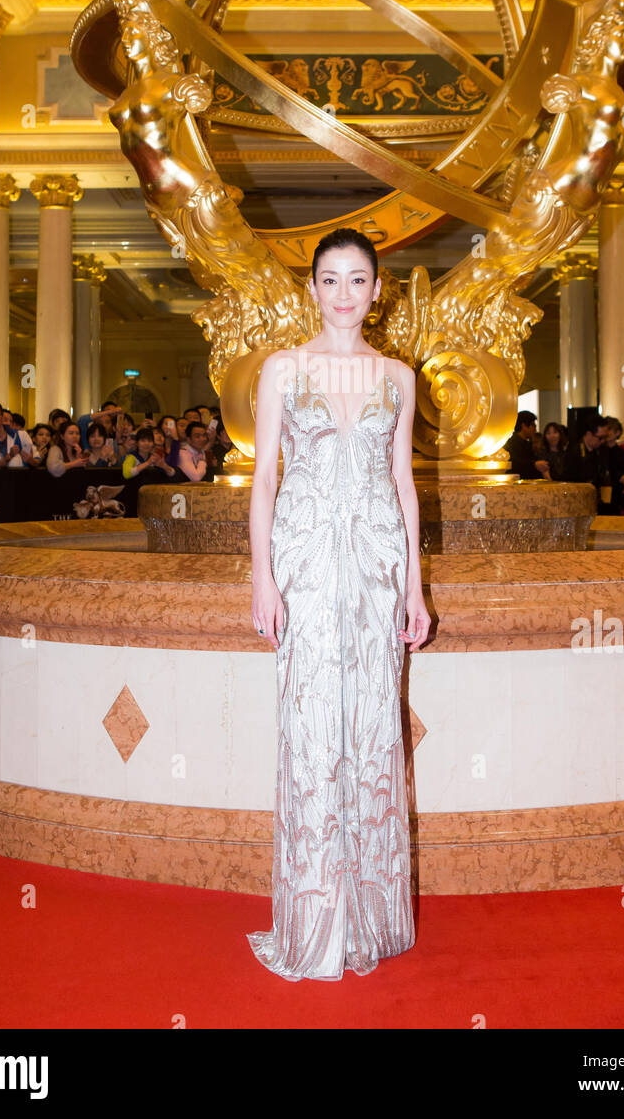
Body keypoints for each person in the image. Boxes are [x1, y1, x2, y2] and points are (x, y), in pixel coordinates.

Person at [247, 227, 429, 981]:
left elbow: (404, 482)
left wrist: (415, 583)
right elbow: (263, 479)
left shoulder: (398, 376)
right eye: (331, 280)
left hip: (377, 567)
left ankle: (371, 918)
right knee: (315, 732)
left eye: (358, 280)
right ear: (312, 289)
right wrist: (261, 577)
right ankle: (315, 919)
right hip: (309, 567)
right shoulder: (283, 371)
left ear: (377, 290)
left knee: (374, 735)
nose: (345, 294)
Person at [564, 412, 624, 514]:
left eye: (605, 437)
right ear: (588, 434)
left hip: (601, 502)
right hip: (579, 504)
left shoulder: (603, 450)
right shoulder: (574, 452)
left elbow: (610, 469)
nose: (603, 441)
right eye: (600, 438)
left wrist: (623, 477)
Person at [503, 410, 543, 479]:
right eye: (533, 425)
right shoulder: (512, 444)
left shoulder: (526, 443)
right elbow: (514, 464)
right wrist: (534, 465)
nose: (535, 429)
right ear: (524, 426)